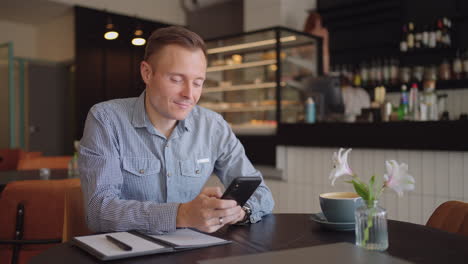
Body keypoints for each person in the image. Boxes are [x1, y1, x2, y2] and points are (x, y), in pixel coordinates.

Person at [78, 26, 274, 235]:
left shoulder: (213, 126)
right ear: (147, 73)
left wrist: (237, 212)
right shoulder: (106, 119)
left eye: (198, 83)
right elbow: (99, 212)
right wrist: (181, 214)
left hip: (192, 251)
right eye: (176, 79)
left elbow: (262, 194)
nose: (189, 94)